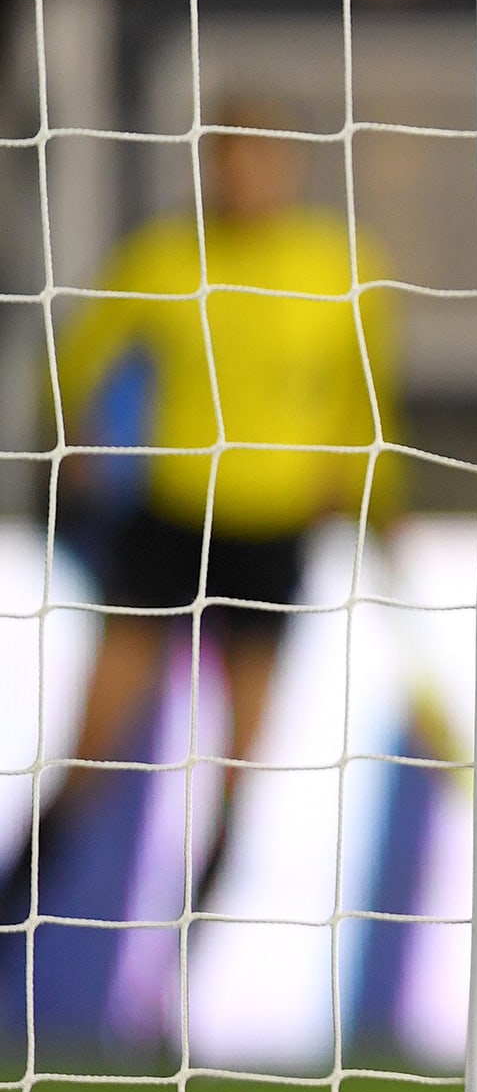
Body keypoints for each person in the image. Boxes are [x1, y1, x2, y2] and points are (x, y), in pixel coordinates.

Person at [11, 99, 397, 931]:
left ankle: (192, 939)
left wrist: (376, 500)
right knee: (99, 730)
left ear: (290, 167)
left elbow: (366, 404)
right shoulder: (165, 258)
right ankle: (23, 895)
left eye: (263, 159)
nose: (247, 177)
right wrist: (73, 445)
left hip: (274, 529)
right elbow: (72, 358)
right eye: (232, 160)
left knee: (241, 749)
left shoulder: (341, 266)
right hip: (172, 517)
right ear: (210, 166)